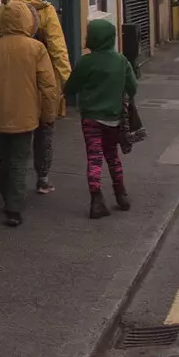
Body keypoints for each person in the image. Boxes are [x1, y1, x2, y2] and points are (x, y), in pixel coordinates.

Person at [0, 0, 62, 227]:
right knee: (19, 160)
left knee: (5, 158)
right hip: (27, 113)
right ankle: (14, 208)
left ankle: (7, 197)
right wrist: (49, 113)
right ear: (28, 20)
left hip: (0, 112)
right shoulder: (36, 48)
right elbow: (48, 86)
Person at [0, 0, 71, 194]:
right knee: (45, 129)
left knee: (16, 132)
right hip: (42, 78)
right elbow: (58, 48)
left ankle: (11, 181)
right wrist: (66, 79)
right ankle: (43, 178)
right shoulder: (45, 10)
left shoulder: (5, 8)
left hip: (13, 79)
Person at [64, 19, 139, 219]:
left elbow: (71, 88)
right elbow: (133, 87)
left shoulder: (86, 62)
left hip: (91, 119)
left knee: (94, 157)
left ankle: (97, 200)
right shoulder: (121, 61)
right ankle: (121, 195)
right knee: (112, 156)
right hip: (113, 118)